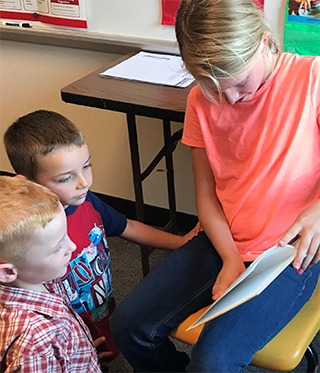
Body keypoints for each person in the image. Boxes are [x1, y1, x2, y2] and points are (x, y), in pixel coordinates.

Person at [109, 0, 320, 371]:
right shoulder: (199, 100)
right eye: (213, 88)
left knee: (213, 358)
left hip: (291, 251)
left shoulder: (312, 79)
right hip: (224, 238)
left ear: (264, 42)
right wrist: (230, 258)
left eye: (239, 82)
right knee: (129, 326)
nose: (231, 99)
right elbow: (206, 195)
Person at [3, 109, 200, 370]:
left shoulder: (85, 201)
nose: (84, 182)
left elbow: (125, 226)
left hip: (94, 318)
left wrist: (181, 243)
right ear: (28, 183)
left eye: (86, 166)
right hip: (63, 332)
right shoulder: (29, 241)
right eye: (65, 178)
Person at [0, 176, 102, 372]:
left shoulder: (38, 277)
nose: (71, 247)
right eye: (56, 247)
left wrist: (77, 356)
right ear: (7, 272)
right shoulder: (35, 343)